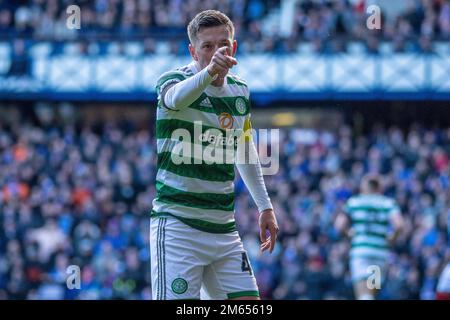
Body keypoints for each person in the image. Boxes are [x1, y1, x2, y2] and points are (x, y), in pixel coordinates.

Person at [150, 10, 278, 300]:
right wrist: (209, 74)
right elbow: (174, 99)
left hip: (223, 229)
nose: (216, 52)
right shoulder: (172, 80)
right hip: (178, 228)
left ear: (233, 48)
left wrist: (264, 206)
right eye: (207, 47)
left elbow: (244, 148)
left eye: (223, 44)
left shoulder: (240, 91)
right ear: (192, 51)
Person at [335, 175, 404, 300]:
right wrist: (391, 239)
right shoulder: (387, 203)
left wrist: (349, 234)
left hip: (361, 253)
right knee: (372, 292)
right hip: (379, 253)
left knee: (362, 294)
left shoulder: (355, 202)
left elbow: (339, 225)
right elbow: (399, 225)